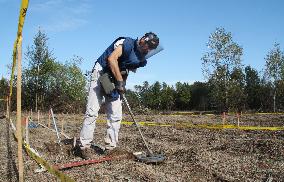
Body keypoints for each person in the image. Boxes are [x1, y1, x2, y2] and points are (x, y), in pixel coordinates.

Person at [76, 32, 160, 159]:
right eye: (147, 46)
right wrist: (119, 81)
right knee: (92, 111)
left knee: (116, 114)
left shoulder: (139, 58)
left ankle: (111, 148)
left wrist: (122, 84)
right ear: (143, 39)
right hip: (101, 72)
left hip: (114, 78)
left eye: (150, 49)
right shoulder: (126, 43)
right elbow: (111, 59)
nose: (147, 50)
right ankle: (83, 147)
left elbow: (125, 70)